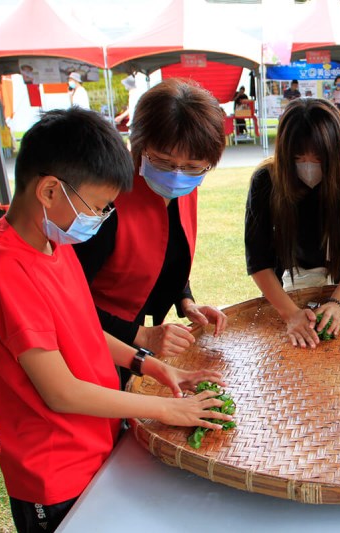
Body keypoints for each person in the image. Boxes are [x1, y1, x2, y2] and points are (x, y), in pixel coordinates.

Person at [0, 107, 231, 532]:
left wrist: (151, 365)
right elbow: (61, 393)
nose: (102, 218)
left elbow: (83, 329)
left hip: (98, 445)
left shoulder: (55, 243)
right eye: (99, 206)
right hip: (54, 473)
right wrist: (168, 410)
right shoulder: (2, 267)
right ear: (51, 191)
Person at [73, 78, 228, 387]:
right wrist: (141, 335)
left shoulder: (184, 189)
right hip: (91, 336)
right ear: (138, 144)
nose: (177, 175)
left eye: (193, 166)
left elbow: (165, 255)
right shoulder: (104, 200)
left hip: (131, 335)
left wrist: (186, 301)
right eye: (163, 161)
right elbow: (67, 299)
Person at [245, 98, 340, 348]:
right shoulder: (266, 180)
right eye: (298, 158)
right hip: (289, 284)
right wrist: (290, 313)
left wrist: (339, 302)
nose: (308, 167)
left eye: (319, 159)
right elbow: (259, 262)